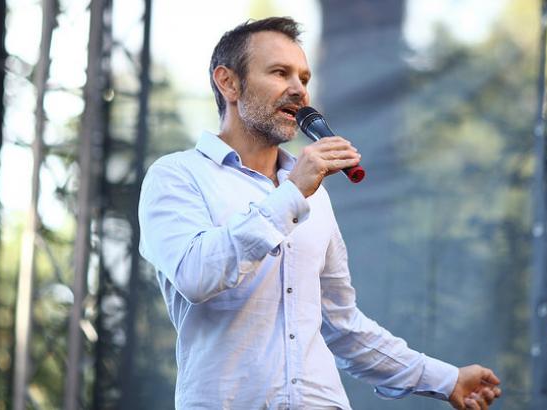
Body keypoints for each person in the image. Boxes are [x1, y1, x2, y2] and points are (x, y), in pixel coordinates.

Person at [138, 16, 501, 410]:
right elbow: (196, 274)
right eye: (280, 73)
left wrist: (446, 379)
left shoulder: (314, 196)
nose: (299, 90)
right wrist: (292, 193)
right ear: (229, 83)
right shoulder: (177, 176)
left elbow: (343, 326)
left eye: (304, 78)